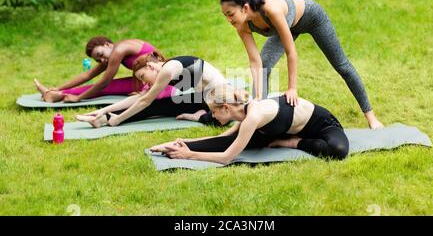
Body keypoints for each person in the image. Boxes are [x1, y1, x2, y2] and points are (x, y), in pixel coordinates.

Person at [220, 0, 383, 129]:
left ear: (245, 8)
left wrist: (292, 88)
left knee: (342, 66)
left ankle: (371, 117)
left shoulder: (271, 10)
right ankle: (260, 119)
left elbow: (291, 52)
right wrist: (256, 99)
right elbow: (255, 62)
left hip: (312, 18)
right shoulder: (242, 25)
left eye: (230, 14)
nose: (229, 20)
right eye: (225, 15)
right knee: (265, 64)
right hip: (288, 25)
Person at [150, 85, 349, 165]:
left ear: (227, 108)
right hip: (281, 129)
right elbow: (223, 140)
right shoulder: (243, 116)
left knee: (337, 150)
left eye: (214, 111)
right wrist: (182, 143)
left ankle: (293, 143)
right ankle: (171, 147)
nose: (213, 115)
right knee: (231, 140)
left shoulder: (253, 116)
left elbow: (227, 158)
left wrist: (190, 155)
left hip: (321, 126)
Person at [76, 53, 245, 127]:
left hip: (221, 102)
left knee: (154, 106)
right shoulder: (169, 69)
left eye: (143, 76)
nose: (144, 82)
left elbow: (145, 100)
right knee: (157, 105)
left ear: (150, 66)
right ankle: (101, 118)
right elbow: (141, 97)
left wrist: (118, 120)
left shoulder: (168, 70)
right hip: (203, 99)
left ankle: (200, 116)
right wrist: (103, 109)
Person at [34, 36, 175, 102]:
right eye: (97, 59)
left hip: (160, 79)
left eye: (100, 55)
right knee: (108, 85)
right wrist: (58, 87)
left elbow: (105, 83)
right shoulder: (111, 54)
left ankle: (55, 95)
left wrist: (79, 98)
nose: (102, 60)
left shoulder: (119, 50)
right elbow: (87, 75)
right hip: (150, 79)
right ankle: (55, 93)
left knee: (110, 86)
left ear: (107, 44)